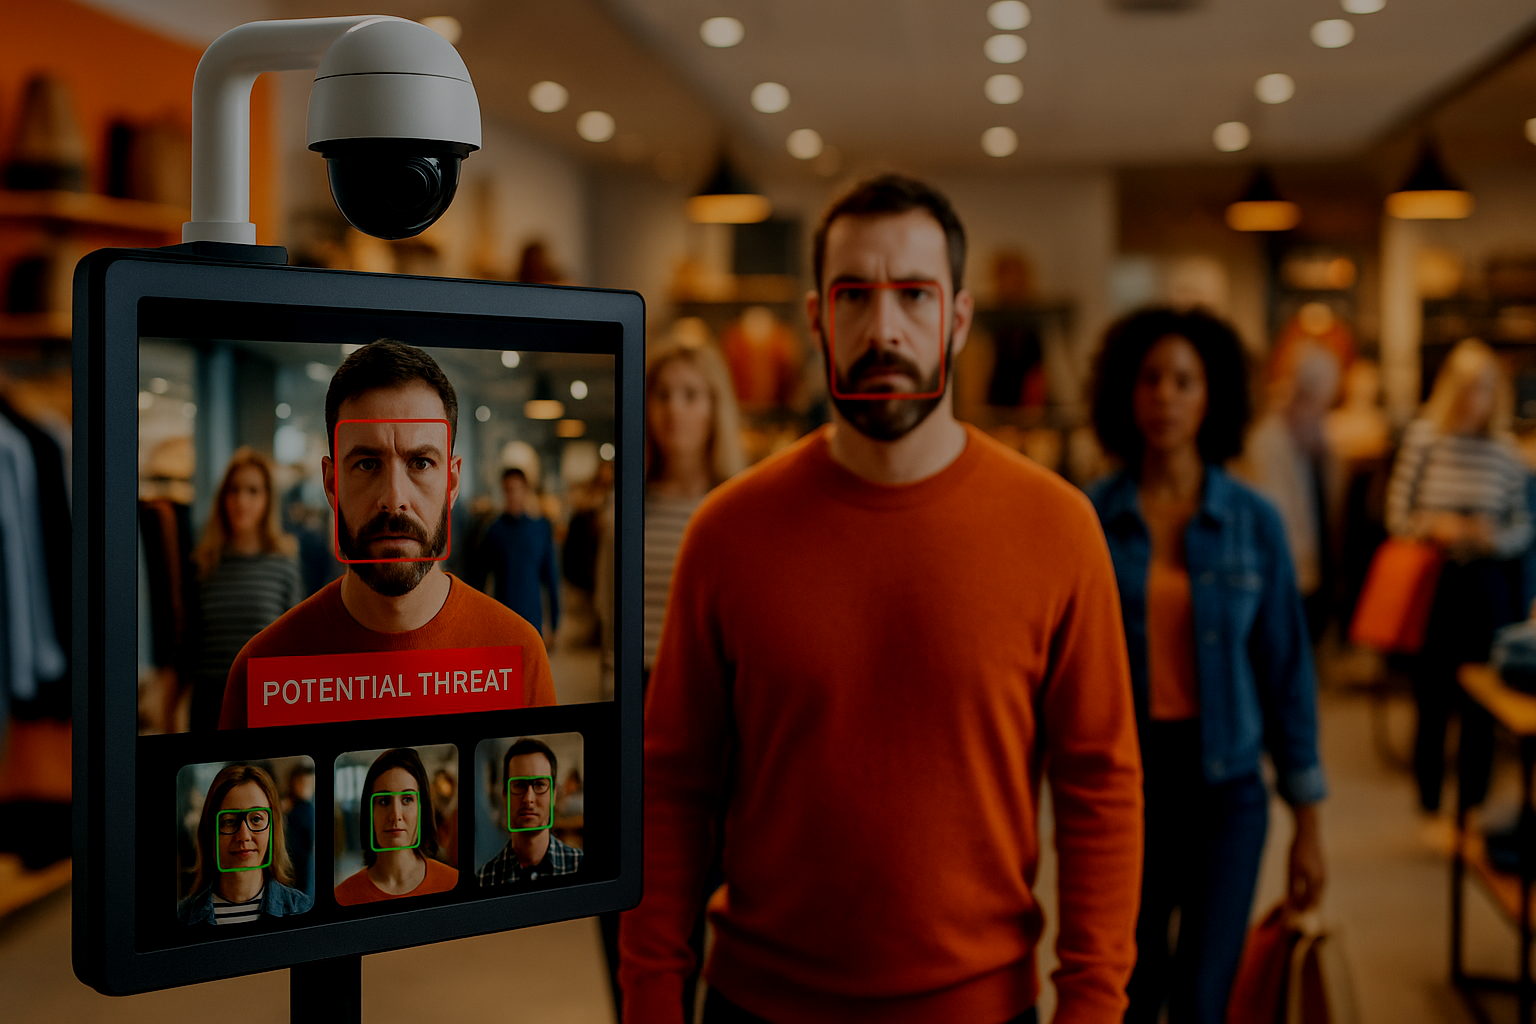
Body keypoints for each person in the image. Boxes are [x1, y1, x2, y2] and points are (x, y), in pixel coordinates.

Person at [619, 174, 1143, 1024]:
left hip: (979, 1005)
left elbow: (1101, 786)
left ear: (959, 320)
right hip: (758, 1001)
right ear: (818, 319)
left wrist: (1091, 1007)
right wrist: (650, 997)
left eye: (914, 296)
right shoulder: (728, 532)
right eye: (855, 297)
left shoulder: (1058, 528)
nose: (884, 328)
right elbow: (673, 783)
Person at [1086, 307, 1327, 1024]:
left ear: (1211, 395)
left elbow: (1288, 676)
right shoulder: (1086, 519)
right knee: (1129, 990)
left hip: (1227, 792)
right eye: (1150, 378)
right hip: (1126, 789)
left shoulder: (1255, 521)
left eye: (1184, 381)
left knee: (1201, 1001)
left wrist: (1308, 826)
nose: (1165, 395)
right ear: (1124, 394)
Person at [218, 340, 556, 729]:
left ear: (452, 481)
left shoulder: (519, 654)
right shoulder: (263, 671)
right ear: (331, 484)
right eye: (366, 464)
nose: (394, 500)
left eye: (421, 462)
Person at [1385, 338, 1531, 832]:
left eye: (1486, 389)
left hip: (1486, 581)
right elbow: (1397, 514)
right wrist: (1437, 525)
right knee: (1432, 694)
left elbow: (1521, 528)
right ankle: (1428, 802)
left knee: (1481, 697)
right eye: (1469, 387)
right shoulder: (1426, 439)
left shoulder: (1506, 451)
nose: (1476, 398)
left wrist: (1490, 536)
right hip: (1437, 576)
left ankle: (1471, 804)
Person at [642, 337, 744, 675]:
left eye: (690, 395)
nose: (674, 409)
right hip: (635, 692)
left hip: (709, 694)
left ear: (715, 407)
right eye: (662, 395)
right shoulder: (625, 509)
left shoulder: (739, 509)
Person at [187, 448, 303, 731]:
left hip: (264, 699)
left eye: (253, 491)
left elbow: (296, 646)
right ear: (222, 498)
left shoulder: (283, 562)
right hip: (210, 700)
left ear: (267, 499)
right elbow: (188, 645)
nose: (242, 501)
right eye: (234, 490)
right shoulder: (205, 563)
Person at [1237, 341, 1342, 641]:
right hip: (1282, 583)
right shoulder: (1267, 445)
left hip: (1309, 579)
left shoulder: (1316, 446)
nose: (1321, 416)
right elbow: (1275, 524)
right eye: (1317, 405)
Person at [177, 764, 313, 925]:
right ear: (210, 833)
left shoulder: (303, 910)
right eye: (229, 821)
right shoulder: (182, 918)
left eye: (256, 819)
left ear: (273, 830)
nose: (243, 836)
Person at [335, 747, 459, 904]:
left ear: (422, 808)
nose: (396, 815)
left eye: (407, 799)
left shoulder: (452, 883)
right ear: (370, 812)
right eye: (384, 801)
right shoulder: (342, 897)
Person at [465, 467, 561, 639]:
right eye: (508, 489)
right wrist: (475, 622)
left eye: (517, 489)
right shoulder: (494, 531)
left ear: (525, 491)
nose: (513, 495)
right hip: (503, 618)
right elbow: (479, 579)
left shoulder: (540, 529)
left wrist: (554, 622)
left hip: (533, 620)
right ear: (503, 491)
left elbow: (551, 577)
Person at [477, 737, 583, 886]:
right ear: (505, 797)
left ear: (554, 795)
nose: (529, 798)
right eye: (519, 785)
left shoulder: (581, 867)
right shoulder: (484, 879)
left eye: (539, 785)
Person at [286, 763, 316, 897]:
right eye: (300, 782)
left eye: (308, 783)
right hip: (294, 857)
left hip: (305, 857)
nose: (304, 787)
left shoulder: (309, 808)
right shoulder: (293, 807)